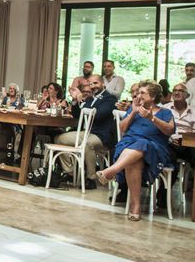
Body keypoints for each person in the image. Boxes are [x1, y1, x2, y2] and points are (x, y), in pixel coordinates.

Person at [96, 81, 175, 221]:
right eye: (138, 93)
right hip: (128, 146)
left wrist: (151, 118)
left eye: (142, 93)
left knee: (142, 143)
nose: (138, 95)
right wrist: (133, 112)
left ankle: (111, 171)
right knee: (134, 161)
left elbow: (169, 130)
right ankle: (136, 206)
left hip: (154, 148)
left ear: (153, 96)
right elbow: (122, 128)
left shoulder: (165, 112)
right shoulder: (134, 109)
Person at [60, 75, 117, 189]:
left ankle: (91, 178)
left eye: (95, 83)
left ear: (103, 84)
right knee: (59, 139)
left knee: (87, 143)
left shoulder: (110, 99)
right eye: (90, 84)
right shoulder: (90, 99)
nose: (93, 86)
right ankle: (70, 172)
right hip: (86, 133)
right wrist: (75, 100)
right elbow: (76, 115)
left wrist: (85, 108)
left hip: (102, 135)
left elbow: (99, 115)